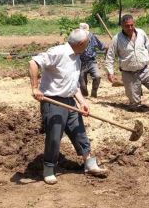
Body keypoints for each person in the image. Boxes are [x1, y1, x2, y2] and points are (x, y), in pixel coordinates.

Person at [29, 28, 107, 185]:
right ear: (80, 43)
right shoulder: (58, 52)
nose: (89, 44)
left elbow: (74, 84)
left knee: (79, 132)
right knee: (54, 136)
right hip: (53, 101)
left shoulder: (76, 57)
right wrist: (35, 87)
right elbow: (33, 62)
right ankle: (49, 168)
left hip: (70, 101)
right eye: (88, 42)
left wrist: (82, 101)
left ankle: (89, 163)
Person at [105, 15, 149, 111]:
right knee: (134, 103)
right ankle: (136, 106)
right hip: (129, 74)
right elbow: (110, 57)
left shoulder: (141, 33)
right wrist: (110, 72)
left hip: (144, 70)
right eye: (127, 26)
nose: (130, 28)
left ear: (134, 24)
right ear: (122, 26)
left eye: (131, 25)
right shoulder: (116, 39)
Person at [78, 23, 105, 98]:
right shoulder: (77, 38)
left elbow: (101, 46)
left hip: (91, 61)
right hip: (80, 62)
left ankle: (94, 93)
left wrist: (109, 47)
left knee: (97, 76)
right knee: (83, 85)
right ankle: (85, 95)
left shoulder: (92, 37)